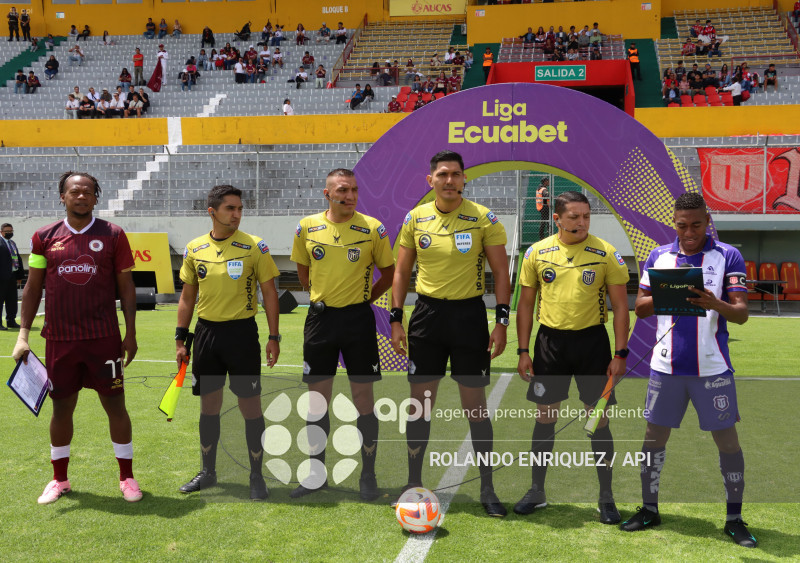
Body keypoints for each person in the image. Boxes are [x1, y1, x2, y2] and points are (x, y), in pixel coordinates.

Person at [620, 193, 756, 548]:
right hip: (665, 368)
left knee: (727, 442)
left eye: (696, 224)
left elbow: (740, 313)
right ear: (674, 222)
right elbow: (641, 308)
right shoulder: (658, 255)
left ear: (707, 219)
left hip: (712, 369)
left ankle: (734, 518)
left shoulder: (727, 255)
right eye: (682, 225)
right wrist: (675, 292)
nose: (689, 232)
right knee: (653, 439)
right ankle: (649, 509)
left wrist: (715, 303)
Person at [390, 150, 511, 518]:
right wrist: (396, 318)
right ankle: (413, 484)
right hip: (427, 317)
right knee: (421, 405)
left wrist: (501, 321)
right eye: (442, 174)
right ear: (431, 180)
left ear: (464, 179)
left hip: (468, 317)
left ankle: (488, 488)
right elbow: (400, 273)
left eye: (456, 174)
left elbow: (501, 273)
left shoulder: (483, 218)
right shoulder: (415, 218)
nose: (449, 180)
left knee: (474, 406)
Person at [11, 172, 140, 504]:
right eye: (74, 192)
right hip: (60, 340)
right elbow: (32, 287)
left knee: (116, 406)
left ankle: (127, 477)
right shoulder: (43, 237)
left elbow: (126, 286)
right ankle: (59, 480)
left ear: (96, 197)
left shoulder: (113, 235)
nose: (81, 196)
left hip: (104, 338)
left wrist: (131, 333)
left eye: (87, 192)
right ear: (62, 197)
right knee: (61, 409)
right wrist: (23, 335)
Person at [515, 190, 629, 524]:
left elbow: (622, 306)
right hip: (549, 343)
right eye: (574, 217)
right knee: (545, 417)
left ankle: (606, 497)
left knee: (598, 420)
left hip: (593, 344)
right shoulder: (537, 252)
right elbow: (525, 305)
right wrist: (523, 350)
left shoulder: (606, 253)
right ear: (557, 219)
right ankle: (537, 491)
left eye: (586, 217)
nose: (581, 223)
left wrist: (620, 352)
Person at [289, 169, 395, 500]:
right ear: (327, 193)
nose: (349, 196)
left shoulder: (372, 228)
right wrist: (319, 293)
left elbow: (389, 273)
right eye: (342, 190)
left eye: (354, 191)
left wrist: (365, 297)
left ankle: (368, 476)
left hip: (358, 322)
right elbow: (303, 271)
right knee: (317, 403)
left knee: (364, 401)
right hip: (320, 321)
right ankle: (315, 475)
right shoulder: (306, 227)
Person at [176, 184, 280, 501]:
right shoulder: (194, 249)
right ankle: (208, 472)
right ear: (213, 212)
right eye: (230, 208)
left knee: (251, 408)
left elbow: (270, 294)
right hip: (206, 336)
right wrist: (181, 338)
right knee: (209, 408)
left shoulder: (254, 247)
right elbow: (187, 297)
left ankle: (256, 476)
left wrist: (274, 336)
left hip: (242, 336)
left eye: (239, 209)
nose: (236, 214)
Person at [0, 223, 23, 329]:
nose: (10, 233)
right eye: (7, 231)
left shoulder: (12, 243)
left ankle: (11, 321)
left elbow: (17, 259)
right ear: (1, 232)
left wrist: (19, 275)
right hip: (1, 277)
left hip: (12, 276)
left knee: (12, 300)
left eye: (11, 231)